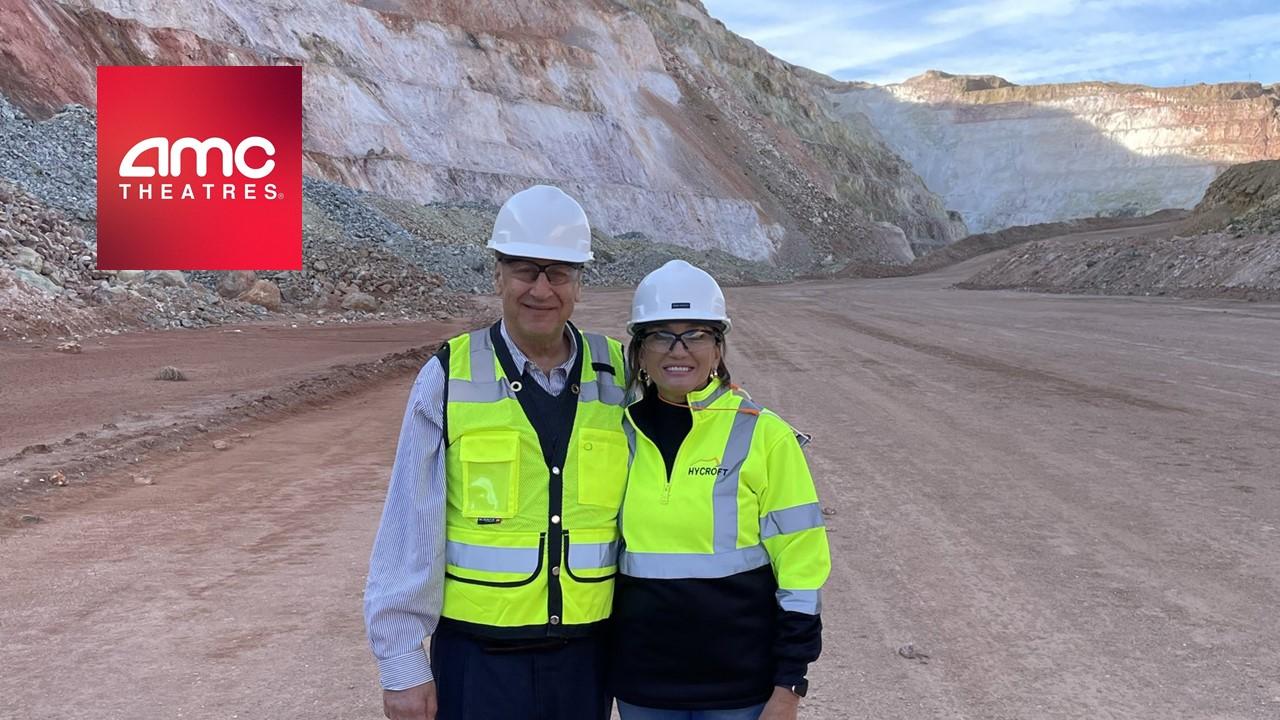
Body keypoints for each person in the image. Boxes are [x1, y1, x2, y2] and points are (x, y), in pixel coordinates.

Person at [364, 185, 630, 720]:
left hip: (587, 662)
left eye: (558, 272)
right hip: (477, 662)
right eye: (524, 270)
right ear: (497, 274)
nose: (540, 289)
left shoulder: (620, 374)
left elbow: (685, 426)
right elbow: (407, 522)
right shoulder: (448, 375)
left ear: (579, 282)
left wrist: (722, 400)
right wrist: (400, 662)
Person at [609, 260, 830, 720]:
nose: (678, 350)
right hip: (643, 686)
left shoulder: (765, 435)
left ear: (718, 347)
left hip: (741, 689)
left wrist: (790, 684)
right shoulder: (616, 434)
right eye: (660, 335)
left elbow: (801, 569)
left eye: (696, 335)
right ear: (640, 350)